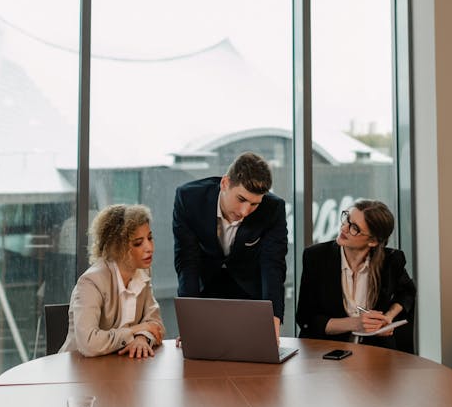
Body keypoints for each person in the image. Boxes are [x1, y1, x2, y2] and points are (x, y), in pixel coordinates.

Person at [173, 151, 287, 336]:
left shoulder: (273, 209)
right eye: (241, 199)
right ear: (225, 183)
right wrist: (189, 321)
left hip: (250, 291)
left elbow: (273, 265)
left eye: (254, 204)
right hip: (206, 287)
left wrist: (272, 320)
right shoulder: (189, 199)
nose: (245, 211)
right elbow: (187, 261)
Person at [296, 199, 415, 349]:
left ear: (372, 241)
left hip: (375, 355)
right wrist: (356, 323)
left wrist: (388, 317)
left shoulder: (391, 261)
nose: (344, 228)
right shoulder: (316, 257)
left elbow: (407, 292)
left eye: (354, 228)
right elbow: (306, 319)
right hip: (325, 354)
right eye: (347, 219)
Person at [61, 203, 165, 358]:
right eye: (138, 243)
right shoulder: (91, 282)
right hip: (78, 372)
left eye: (150, 238)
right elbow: (89, 343)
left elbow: (155, 324)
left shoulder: (142, 272)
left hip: (119, 369)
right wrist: (133, 331)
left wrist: (141, 338)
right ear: (117, 247)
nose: (149, 247)